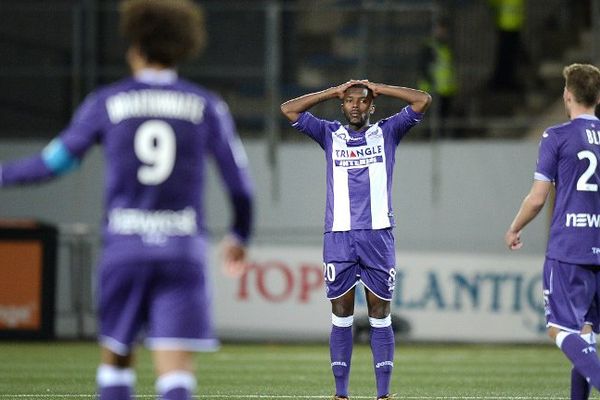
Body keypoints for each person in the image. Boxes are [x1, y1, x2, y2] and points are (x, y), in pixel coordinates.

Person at [0, 1, 253, 399]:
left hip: (125, 249)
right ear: (184, 45)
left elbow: (53, 165)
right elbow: (240, 186)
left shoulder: (106, 102)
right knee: (175, 375)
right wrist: (239, 234)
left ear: (135, 44)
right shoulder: (207, 106)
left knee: (117, 363)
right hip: (181, 252)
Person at [280, 80, 431, 400]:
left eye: (362, 101)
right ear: (342, 104)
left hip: (378, 237)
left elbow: (422, 100)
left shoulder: (387, 131)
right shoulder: (329, 133)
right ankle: (341, 393)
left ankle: (383, 394)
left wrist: (378, 87)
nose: (355, 106)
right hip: (339, 236)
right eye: (348, 101)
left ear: (371, 106)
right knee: (341, 313)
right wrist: (330, 92)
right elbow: (288, 109)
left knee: (380, 313)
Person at [505, 63, 600, 399]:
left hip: (569, 246)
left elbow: (537, 199)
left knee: (559, 329)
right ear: (597, 97)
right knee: (585, 333)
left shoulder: (557, 136)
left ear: (567, 95)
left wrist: (515, 227)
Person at [418, 18, 458, 138]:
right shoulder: (430, 46)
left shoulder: (445, 47)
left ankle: (440, 136)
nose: (442, 32)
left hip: (446, 89)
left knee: (443, 117)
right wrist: (431, 82)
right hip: (433, 88)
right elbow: (424, 66)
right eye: (440, 29)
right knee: (433, 119)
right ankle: (428, 138)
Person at [488, 0, 525, 91]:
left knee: (508, 56)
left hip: (511, 25)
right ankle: (503, 81)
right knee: (506, 55)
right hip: (506, 26)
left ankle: (505, 80)